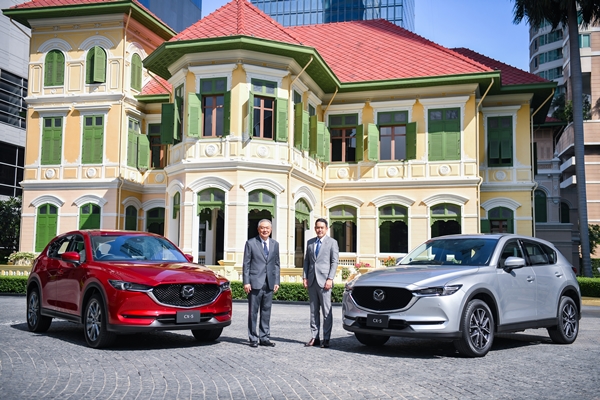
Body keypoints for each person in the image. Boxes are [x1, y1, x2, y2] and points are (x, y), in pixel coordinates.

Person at [242, 219, 280, 347]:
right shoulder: (251, 243)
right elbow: (246, 264)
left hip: (269, 283)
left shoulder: (275, 244)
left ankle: (264, 338)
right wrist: (246, 282)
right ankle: (253, 338)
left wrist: (276, 281)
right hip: (254, 283)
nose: (265, 230)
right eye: (262, 228)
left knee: (266, 311)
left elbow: (276, 264)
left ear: (271, 230)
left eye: (267, 228)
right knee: (253, 312)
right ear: (258, 229)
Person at [303, 218, 339, 348]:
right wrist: (305, 277)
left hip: (325, 281)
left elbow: (334, 262)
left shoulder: (332, 242)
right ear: (315, 228)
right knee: (313, 311)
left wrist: (330, 278)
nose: (319, 230)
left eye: (322, 228)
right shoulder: (310, 242)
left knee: (326, 311)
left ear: (326, 229)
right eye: (317, 227)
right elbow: (307, 261)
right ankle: (315, 337)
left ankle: (326, 338)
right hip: (312, 280)